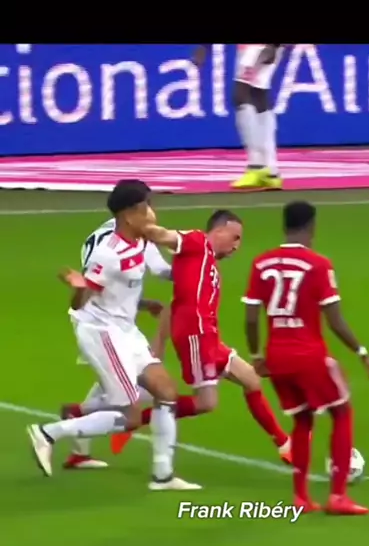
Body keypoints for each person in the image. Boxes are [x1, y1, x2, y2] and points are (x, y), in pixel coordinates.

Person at [26, 179, 200, 492]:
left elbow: (132, 285)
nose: (152, 211)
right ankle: (48, 433)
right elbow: (82, 302)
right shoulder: (108, 254)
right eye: (146, 206)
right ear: (129, 215)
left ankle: (163, 475)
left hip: (126, 329)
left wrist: (199, 262)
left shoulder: (143, 241)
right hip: (102, 333)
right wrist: (79, 288)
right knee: (129, 416)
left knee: (166, 390)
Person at [115, 209, 292, 460]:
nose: (237, 246)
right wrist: (140, 224)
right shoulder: (197, 242)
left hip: (209, 338)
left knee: (251, 379)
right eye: (235, 237)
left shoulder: (206, 263)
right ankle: (134, 420)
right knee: (206, 403)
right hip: (196, 335)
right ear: (219, 230)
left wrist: (160, 343)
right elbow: (163, 235)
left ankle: (284, 443)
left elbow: (176, 302)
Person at [241, 200, 369, 515]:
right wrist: (362, 353)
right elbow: (335, 321)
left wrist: (257, 355)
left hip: (277, 357)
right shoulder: (318, 265)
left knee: (302, 420)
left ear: (284, 225)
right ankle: (338, 496)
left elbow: (250, 318)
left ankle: (301, 497)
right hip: (308, 355)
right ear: (311, 226)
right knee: (341, 412)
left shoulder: (261, 263)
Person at [62, 212, 173, 470]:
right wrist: (198, 262)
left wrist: (141, 303)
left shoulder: (103, 234)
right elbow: (162, 270)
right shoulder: (127, 240)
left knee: (116, 383)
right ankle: (68, 420)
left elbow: (109, 285)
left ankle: (78, 446)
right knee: (134, 394)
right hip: (105, 326)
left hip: (105, 318)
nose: (151, 213)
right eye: (146, 206)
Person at [192, 44, 285, 190]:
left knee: (241, 95)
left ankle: (257, 166)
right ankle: (271, 171)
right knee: (258, 96)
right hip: (258, 48)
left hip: (257, 47)